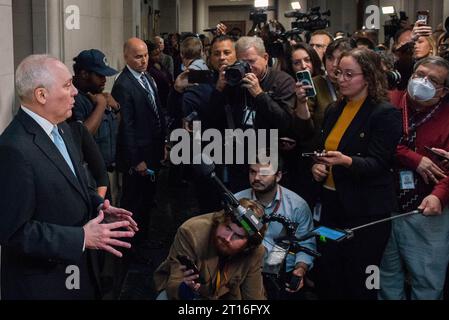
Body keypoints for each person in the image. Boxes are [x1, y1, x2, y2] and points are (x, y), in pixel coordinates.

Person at [0, 55, 137, 300]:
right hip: (45, 285)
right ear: (41, 95)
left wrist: (99, 207)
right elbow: (13, 233)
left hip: (79, 274)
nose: (75, 91)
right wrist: (81, 237)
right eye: (67, 85)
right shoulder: (13, 149)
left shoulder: (63, 128)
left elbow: (79, 184)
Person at [310, 48, 402, 299]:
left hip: (364, 211)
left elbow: (380, 164)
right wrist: (318, 166)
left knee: (359, 280)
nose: (341, 79)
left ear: (369, 77)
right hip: (331, 206)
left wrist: (347, 161)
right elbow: (321, 149)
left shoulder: (384, 113)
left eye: (349, 74)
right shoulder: (333, 109)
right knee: (329, 274)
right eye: (339, 73)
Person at [379, 56, 449, 300]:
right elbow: (379, 144)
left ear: (442, 91)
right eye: (419, 75)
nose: (423, 82)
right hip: (386, 205)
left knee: (427, 281)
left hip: (426, 208)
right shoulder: (390, 100)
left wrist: (439, 196)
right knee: (387, 277)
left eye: (432, 80)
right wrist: (414, 158)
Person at [153, 198, 267, 300]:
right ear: (221, 220)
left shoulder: (255, 251)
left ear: (248, 245)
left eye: (238, 236)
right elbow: (175, 282)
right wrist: (186, 289)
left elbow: (254, 295)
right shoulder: (191, 232)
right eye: (227, 228)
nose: (227, 238)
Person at [235, 158, 315, 299]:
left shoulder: (297, 205)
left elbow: (306, 244)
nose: (256, 178)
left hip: (282, 273)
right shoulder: (237, 201)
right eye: (252, 172)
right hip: (244, 270)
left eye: (264, 174)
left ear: (278, 176)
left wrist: (300, 269)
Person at [111, 38, 166, 246]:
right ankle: (131, 249)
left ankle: (143, 241)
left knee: (147, 202)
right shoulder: (123, 85)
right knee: (134, 204)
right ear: (126, 56)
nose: (144, 60)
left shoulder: (148, 77)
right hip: (138, 159)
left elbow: (156, 112)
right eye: (138, 56)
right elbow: (127, 128)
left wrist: (163, 144)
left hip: (153, 151)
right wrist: (136, 160)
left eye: (145, 55)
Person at [71, 49, 120, 203]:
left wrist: (116, 107)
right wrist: (101, 105)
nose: (104, 80)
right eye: (99, 75)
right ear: (84, 74)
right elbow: (81, 136)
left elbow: (116, 126)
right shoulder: (73, 99)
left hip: (102, 174)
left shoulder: (94, 94)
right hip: (87, 178)